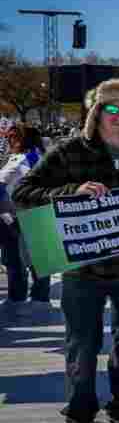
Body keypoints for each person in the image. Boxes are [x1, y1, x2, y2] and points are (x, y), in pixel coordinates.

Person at [14, 79, 119, 423]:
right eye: (111, 108)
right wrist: (70, 192)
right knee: (81, 343)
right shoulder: (69, 153)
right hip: (83, 269)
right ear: (97, 111)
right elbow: (23, 193)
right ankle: (79, 413)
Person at [1, 124, 48, 312]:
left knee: (14, 258)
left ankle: (18, 296)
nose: (9, 140)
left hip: (19, 215)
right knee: (39, 259)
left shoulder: (23, 160)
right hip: (38, 213)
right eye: (8, 136)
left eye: (13, 137)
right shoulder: (41, 156)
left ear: (23, 139)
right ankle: (39, 296)